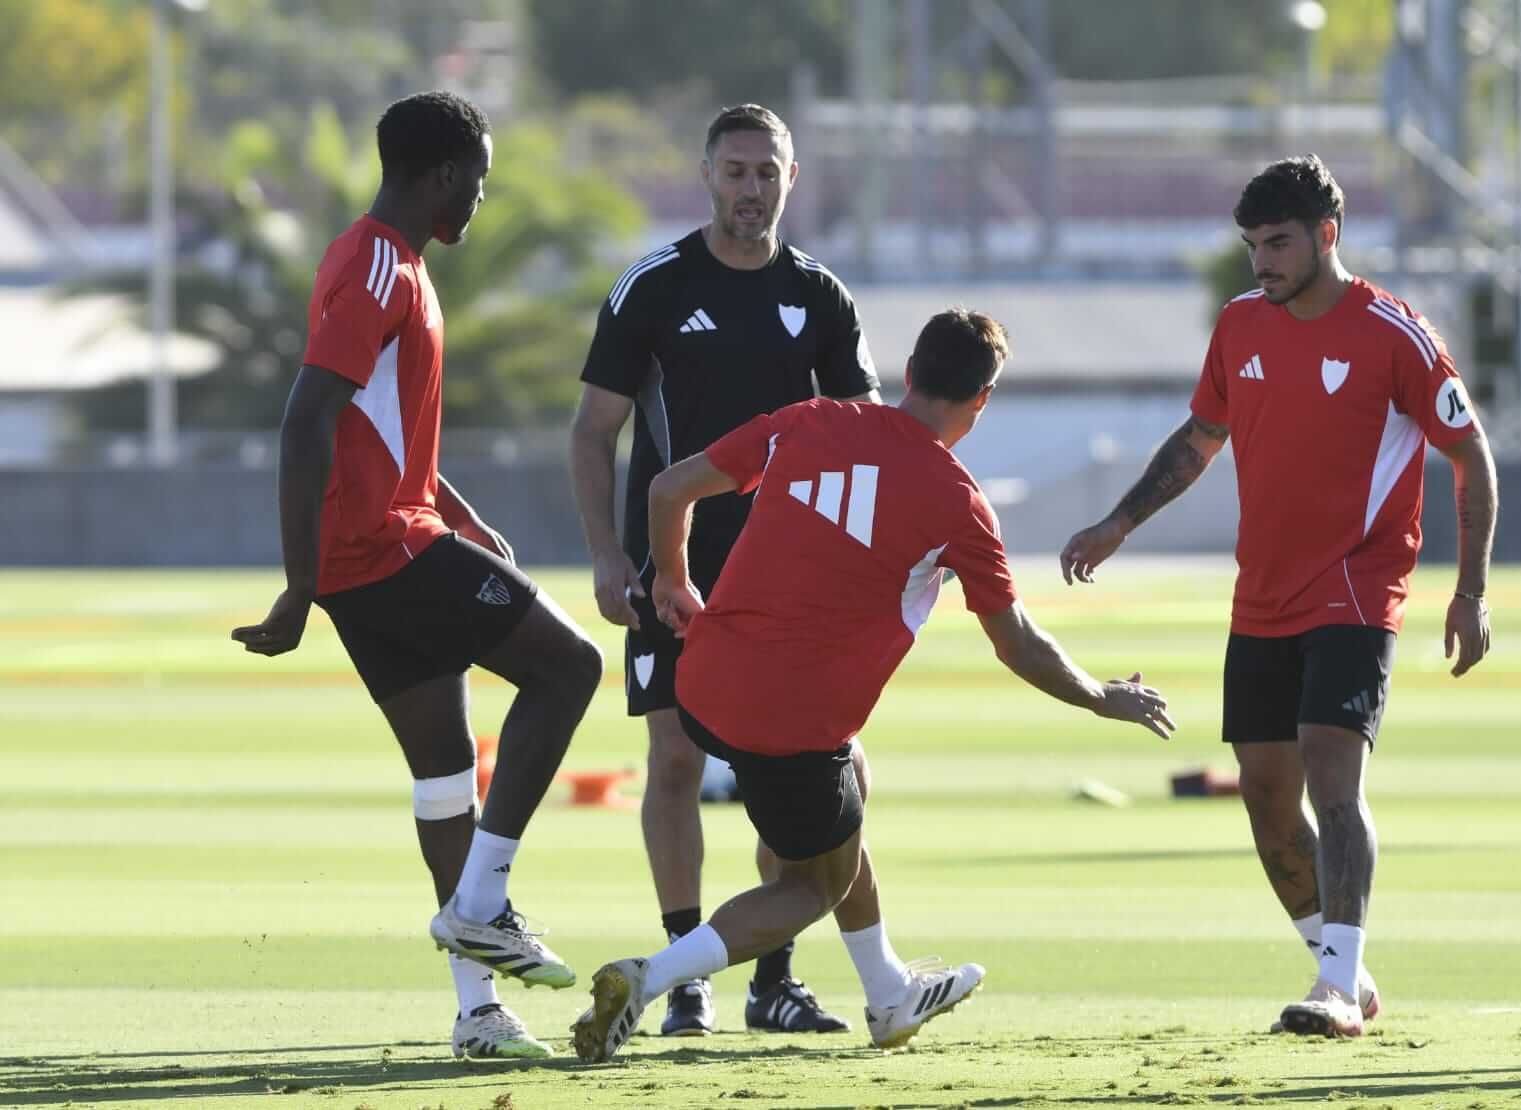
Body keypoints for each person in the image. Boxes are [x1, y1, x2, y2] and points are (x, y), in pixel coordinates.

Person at [571, 309, 1175, 1063]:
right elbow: (1017, 644)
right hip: (790, 723)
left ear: (911, 373)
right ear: (981, 402)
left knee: (844, 787)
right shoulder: (961, 505)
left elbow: (667, 488)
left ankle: (889, 992)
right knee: (807, 888)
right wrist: (1100, 695)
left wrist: (672, 578)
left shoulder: (810, 420)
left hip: (705, 682)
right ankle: (651, 976)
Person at [1060, 155, 1498, 1039]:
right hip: (1260, 595)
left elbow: (1472, 455)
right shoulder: (1240, 326)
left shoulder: (1394, 332)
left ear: (1326, 235)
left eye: (1279, 242)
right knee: (1266, 799)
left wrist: (1471, 591)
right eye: (1252, 244)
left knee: (1335, 781)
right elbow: (1199, 437)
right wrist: (1117, 524)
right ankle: (1347, 972)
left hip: (1354, 591)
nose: (1261, 260)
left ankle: (1334, 988)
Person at [230, 91, 603, 1060]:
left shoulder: (380, 260)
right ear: (441, 176)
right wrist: (296, 587)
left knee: (444, 780)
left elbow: (372, 423)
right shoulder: (377, 267)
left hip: (384, 551)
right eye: (476, 183)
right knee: (570, 669)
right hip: (383, 552)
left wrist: (460, 510)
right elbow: (305, 422)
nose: (479, 201)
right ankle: (483, 904)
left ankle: (478, 1011)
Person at [568, 103, 880, 1037]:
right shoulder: (653, 287)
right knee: (673, 761)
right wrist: (605, 554)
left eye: (767, 171)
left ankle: (771, 979)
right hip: (668, 572)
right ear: (707, 177)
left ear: (793, 176)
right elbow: (593, 430)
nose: (752, 188)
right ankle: (684, 974)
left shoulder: (821, 296)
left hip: (788, 585)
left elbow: (864, 438)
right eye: (736, 171)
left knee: (783, 777)